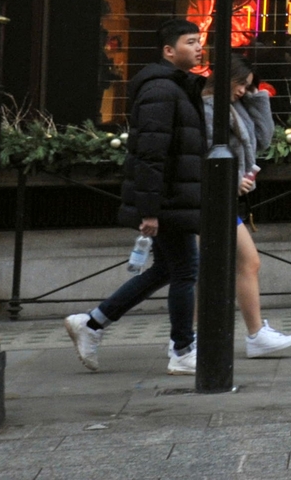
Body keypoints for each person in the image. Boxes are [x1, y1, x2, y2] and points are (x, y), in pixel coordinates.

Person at [64, 19, 208, 375]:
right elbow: (151, 153)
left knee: (166, 269)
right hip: (170, 200)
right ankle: (182, 348)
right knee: (186, 270)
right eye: (191, 42)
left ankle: (92, 323)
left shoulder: (175, 86)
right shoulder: (162, 89)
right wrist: (150, 210)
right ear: (169, 51)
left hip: (174, 197)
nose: (199, 47)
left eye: (199, 41)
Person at [207, 59, 291, 358]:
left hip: (226, 197)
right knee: (205, 271)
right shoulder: (208, 108)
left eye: (247, 85)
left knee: (231, 266)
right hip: (212, 197)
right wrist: (232, 182)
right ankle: (192, 340)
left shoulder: (237, 105)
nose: (243, 89)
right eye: (241, 84)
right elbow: (207, 151)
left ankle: (253, 335)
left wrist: (257, 95)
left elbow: (263, 138)